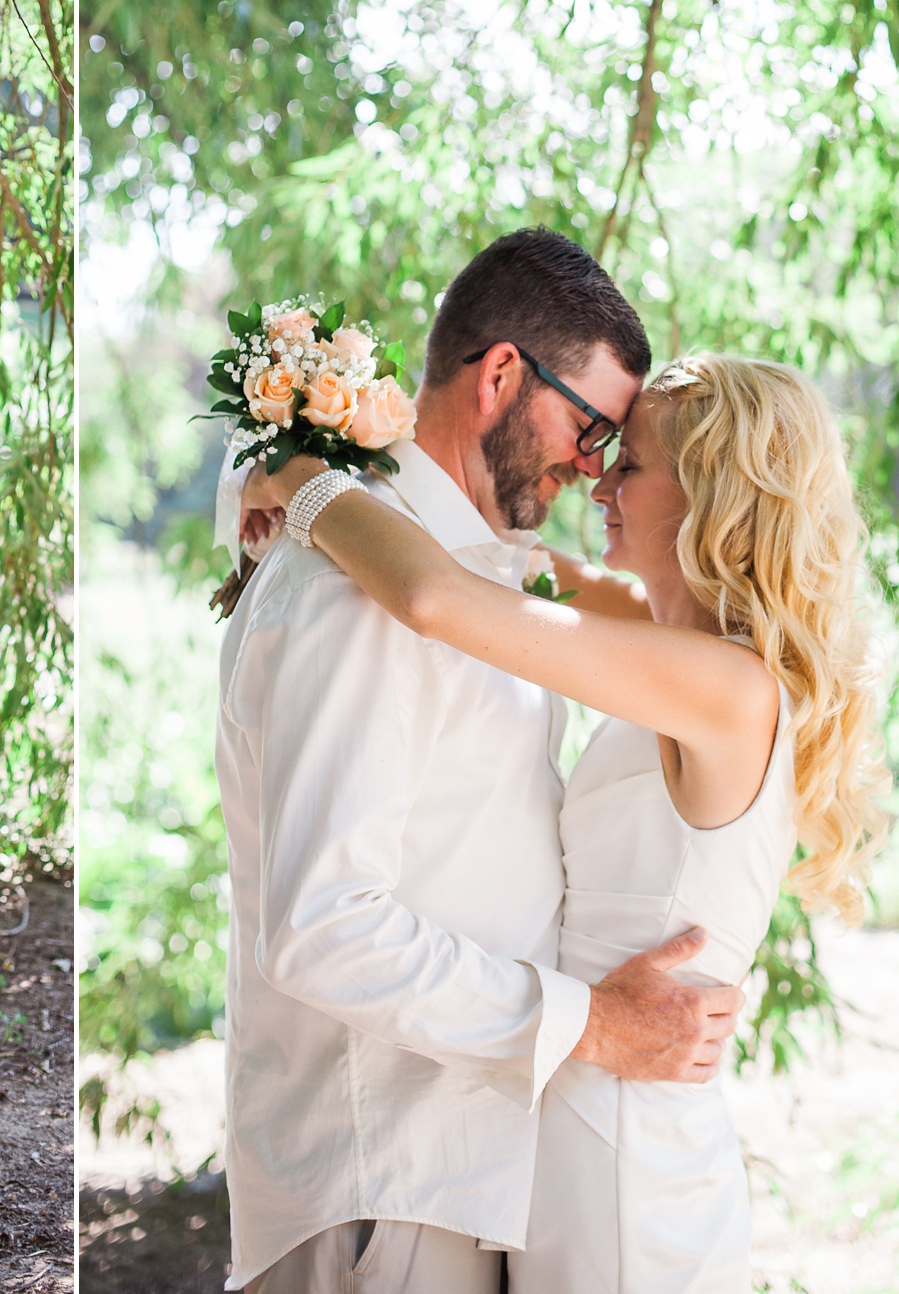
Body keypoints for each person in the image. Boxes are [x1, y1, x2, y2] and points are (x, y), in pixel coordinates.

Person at [245, 349, 888, 1292]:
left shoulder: (728, 690)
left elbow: (437, 597)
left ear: (711, 494)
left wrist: (301, 478)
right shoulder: (668, 632)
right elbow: (489, 554)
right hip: (563, 1116)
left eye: (630, 465)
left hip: (628, 1160)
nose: (598, 479)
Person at [213, 229, 749, 1293]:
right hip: (386, 1182)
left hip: (456, 1173)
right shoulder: (355, 586)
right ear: (501, 373)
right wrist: (587, 1020)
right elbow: (323, 927)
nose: (589, 464)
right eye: (587, 425)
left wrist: (300, 470)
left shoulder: (448, 559)